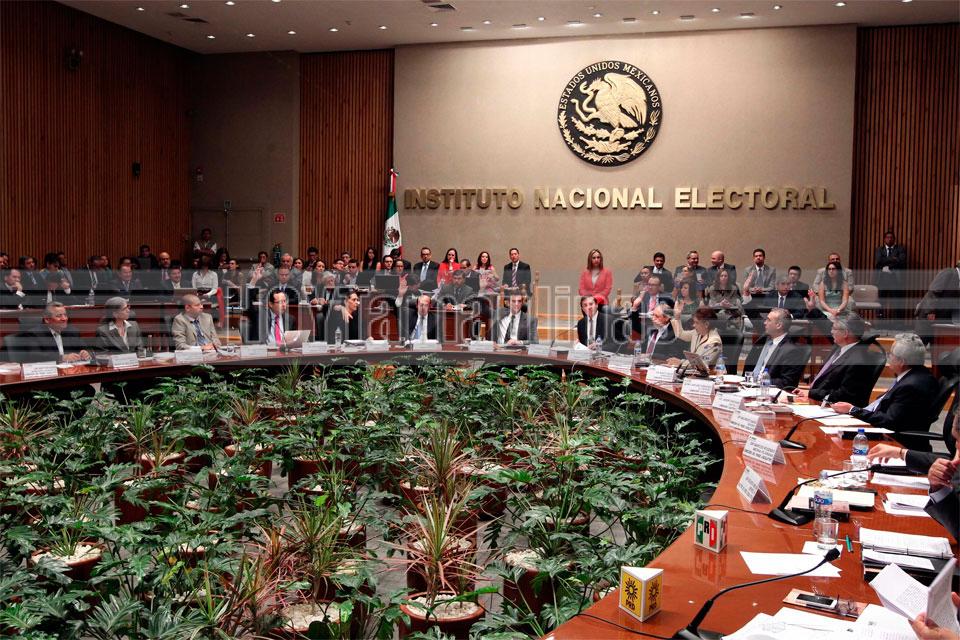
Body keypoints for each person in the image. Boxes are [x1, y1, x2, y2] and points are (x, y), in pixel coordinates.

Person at [831, 333, 940, 451]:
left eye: (891, 354)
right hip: (882, 430)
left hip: (895, 442)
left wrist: (853, 409)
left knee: (835, 443)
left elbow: (889, 421)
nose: (889, 357)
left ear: (901, 362)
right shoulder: (914, 375)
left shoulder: (911, 386)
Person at [795, 314, 885, 408]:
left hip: (836, 409)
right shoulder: (839, 347)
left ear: (845, 333)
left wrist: (812, 394)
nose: (831, 331)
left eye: (834, 329)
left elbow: (844, 395)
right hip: (817, 401)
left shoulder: (858, 360)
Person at [743, 308, 808, 390]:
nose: (765, 322)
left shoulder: (791, 351)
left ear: (778, 325)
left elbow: (787, 383)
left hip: (766, 390)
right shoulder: (763, 339)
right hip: (747, 386)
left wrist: (760, 381)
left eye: (768, 320)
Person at [14, 302, 91, 363]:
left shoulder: (72, 331)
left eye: (65, 315)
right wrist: (62, 358)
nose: (64, 319)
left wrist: (85, 353)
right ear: (47, 319)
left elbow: (86, 349)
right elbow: (35, 356)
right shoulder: (34, 334)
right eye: (59, 316)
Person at [874, 230, 907, 322]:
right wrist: (894, 259)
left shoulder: (900, 249)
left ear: (894, 239)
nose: (889, 239)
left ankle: (897, 324)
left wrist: (886, 263)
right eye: (887, 237)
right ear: (884, 239)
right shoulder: (879, 249)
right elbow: (879, 261)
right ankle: (880, 323)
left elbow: (902, 261)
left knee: (897, 302)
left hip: (896, 279)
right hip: (882, 278)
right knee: (881, 302)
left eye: (891, 237)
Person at [742, 248, 777, 317]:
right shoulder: (748, 270)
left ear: (764, 257)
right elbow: (746, 287)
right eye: (756, 256)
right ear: (753, 258)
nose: (758, 257)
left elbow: (772, 287)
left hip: (766, 295)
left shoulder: (771, 270)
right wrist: (754, 289)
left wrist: (761, 289)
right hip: (752, 296)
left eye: (760, 256)